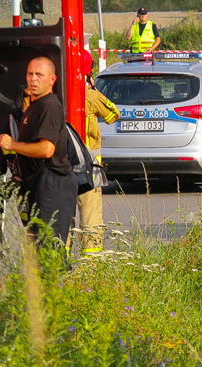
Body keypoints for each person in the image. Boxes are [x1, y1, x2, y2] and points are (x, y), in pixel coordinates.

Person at [0, 56, 77, 244]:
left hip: (53, 183)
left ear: (52, 79)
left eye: (39, 75)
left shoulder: (49, 106)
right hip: (38, 183)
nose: (33, 79)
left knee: (49, 247)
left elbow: (46, 149)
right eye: (30, 74)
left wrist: (13, 145)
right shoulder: (34, 107)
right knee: (38, 246)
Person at [77, 50, 120, 254]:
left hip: (60, 169)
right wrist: (93, 89)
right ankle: (91, 265)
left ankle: (60, 261)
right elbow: (114, 115)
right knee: (90, 218)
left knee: (63, 218)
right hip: (88, 169)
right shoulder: (91, 97)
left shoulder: (54, 95)